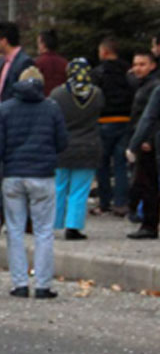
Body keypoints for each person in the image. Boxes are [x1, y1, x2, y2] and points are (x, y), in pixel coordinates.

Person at [0, 67, 68, 299]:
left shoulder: (5, 109)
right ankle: (43, 285)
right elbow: (62, 142)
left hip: (13, 175)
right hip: (42, 176)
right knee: (44, 231)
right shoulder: (52, 108)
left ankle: (19, 283)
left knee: (15, 231)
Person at [52, 59, 104, 241]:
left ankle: (53, 223)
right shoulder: (97, 94)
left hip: (62, 147)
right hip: (88, 146)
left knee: (59, 187)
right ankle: (73, 227)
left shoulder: (58, 94)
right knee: (80, 190)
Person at [91, 37, 134, 217]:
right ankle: (121, 203)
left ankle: (104, 202)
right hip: (125, 120)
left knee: (101, 163)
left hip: (104, 121)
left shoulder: (98, 72)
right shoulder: (128, 71)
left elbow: (94, 96)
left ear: (105, 52)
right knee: (120, 164)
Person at [127, 52, 160, 235]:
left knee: (147, 184)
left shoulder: (154, 87)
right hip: (144, 139)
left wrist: (145, 139)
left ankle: (149, 224)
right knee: (145, 184)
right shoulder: (143, 85)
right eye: (136, 64)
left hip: (149, 142)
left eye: (142, 64)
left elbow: (150, 117)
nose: (138, 68)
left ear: (152, 66)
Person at [35, 29, 68, 96]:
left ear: (43, 44)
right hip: (61, 101)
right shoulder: (65, 63)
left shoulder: (39, 62)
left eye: (38, 43)